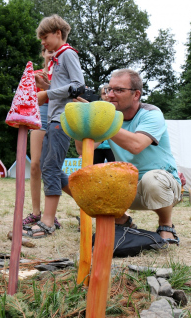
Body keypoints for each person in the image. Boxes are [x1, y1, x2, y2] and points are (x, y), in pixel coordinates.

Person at [77, 69, 181, 244]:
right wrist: (84, 119)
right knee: (94, 179)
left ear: (136, 94)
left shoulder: (151, 113)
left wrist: (104, 122)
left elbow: (136, 145)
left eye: (118, 90)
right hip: (130, 187)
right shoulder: (111, 117)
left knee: (152, 180)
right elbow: (83, 149)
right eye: (109, 89)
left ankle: (166, 225)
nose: (110, 95)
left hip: (165, 186)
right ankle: (123, 221)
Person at [22, 14, 85, 238]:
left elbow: (78, 87)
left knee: (49, 167)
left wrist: (46, 93)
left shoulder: (67, 53)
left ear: (58, 33)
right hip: (54, 118)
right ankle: (89, 203)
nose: (42, 42)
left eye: (45, 37)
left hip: (62, 120)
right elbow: (65, 86)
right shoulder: (58, 57)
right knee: (54, 170)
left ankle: (47, 222)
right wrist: (47, 87)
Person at [22, 47, 63, 230]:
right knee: (35, 163)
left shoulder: (63, 74)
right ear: (43, 53)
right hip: (41, 113)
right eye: (48, 50)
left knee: (51, 165)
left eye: (55, 50)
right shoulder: (36, 74)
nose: (51, 53)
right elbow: (28, 98)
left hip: (59, 114)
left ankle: (50, 214)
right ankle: (36, 212)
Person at [93, 84, 115, 165]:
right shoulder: (96, 107)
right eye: (103, 93)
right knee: (94, 171)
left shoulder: (118, 106)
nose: (106, 95)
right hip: (97, 145)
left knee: (115, 171)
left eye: (108, 92)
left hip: (112, 146)